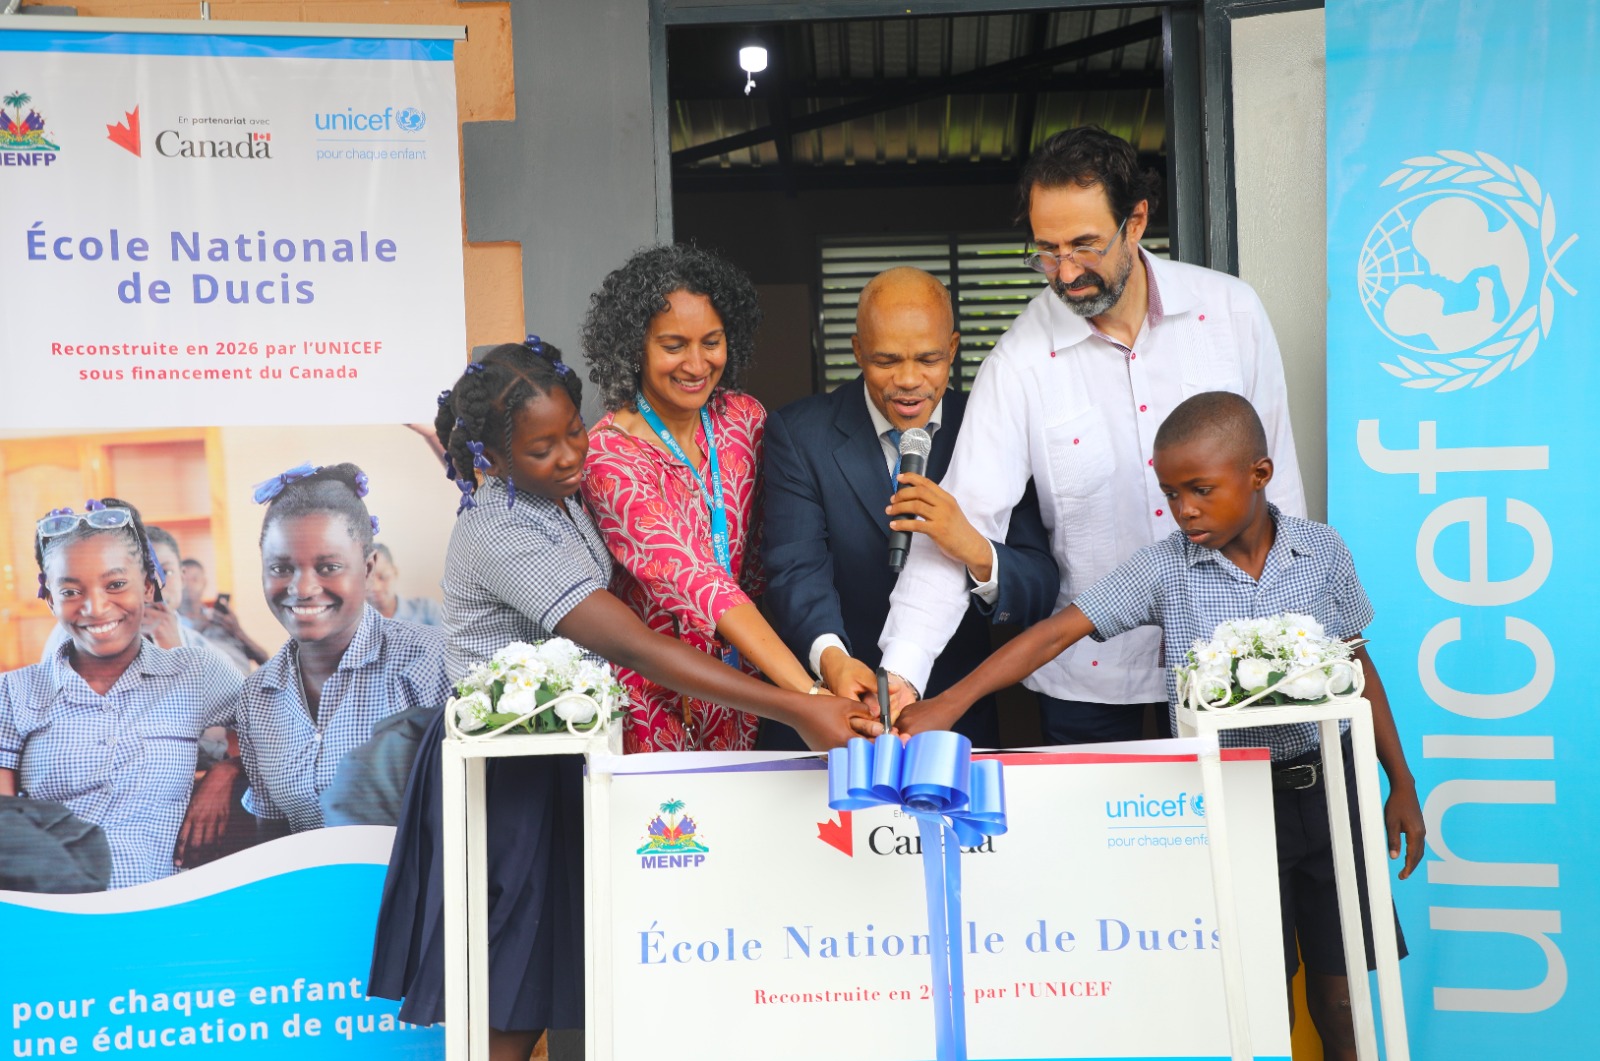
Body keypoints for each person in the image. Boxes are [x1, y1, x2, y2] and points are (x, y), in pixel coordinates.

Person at [369, 340, 877, 1061]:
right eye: (542, 448)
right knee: (508, 989)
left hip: (557, 755)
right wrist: (795, 706)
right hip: (502, 776)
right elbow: (635, 644)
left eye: (574, 431)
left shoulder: (554, 498)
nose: (570, 455)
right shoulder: (502, 527)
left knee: (545, 974)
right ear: (495, 458)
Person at [900, 392, 1423, 1061]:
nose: (1185, 510)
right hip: (1234, 803)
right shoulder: (1163, 568)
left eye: (1201, 490)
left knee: (1343, 1000)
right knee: (1260, 998)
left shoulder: (1321, 551)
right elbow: (1056, 634)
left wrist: (1400, 781)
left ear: (1259, 474)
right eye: (1171, 494)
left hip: (1329, 796)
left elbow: (1357, 662)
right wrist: (949, 701)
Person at [879, 125, 1306, 746]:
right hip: (1087, 679)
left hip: (1235, 661)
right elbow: (961, 519)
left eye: (1084, 246)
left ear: (1136, 222)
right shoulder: (1019, 362)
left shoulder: (1230, 314)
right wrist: (903, 669)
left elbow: (1279, 489)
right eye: (1047, 252)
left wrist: (1292, 642)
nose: (1066, 271)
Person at [761, 266, 1060, 748]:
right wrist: (833, 662)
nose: (907, 380)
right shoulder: (799, 433)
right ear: (857, 350)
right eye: (886, 360)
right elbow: (794, 571)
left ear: (953, 349)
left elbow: (1041, 588)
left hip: (950, 718)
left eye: (928, 359)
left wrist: (975, 549)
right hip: (830, 711)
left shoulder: (992, 428)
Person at [581, 245, 823, 752]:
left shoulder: (743, 420)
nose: (696, 364)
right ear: (634, 346)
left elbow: (774, 555)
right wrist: (808, 697)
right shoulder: (609, 457)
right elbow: (698, 581)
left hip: (749, 690)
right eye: (674, 345)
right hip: (654, 702)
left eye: (712, 342)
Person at [191, 464, 451, 836]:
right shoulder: (257, 697)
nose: (302, 589)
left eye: (328, 567)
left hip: (418, 874)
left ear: (368, 567)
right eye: (280, 568)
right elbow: (276, 835)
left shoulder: (428, 662)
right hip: (313, 877)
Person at [0, 499, 242, 889]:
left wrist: (228, 772)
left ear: (147, 586)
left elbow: (276, 731)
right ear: (49, 598)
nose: (95, 608)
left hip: (163, 908)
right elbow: (5, 830)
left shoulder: (195, 673)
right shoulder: (14, 693)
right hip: (53, 910)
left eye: (115, 585)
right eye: (71, 591)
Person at [178, 556, 271, 669]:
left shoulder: (220, 619)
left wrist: (237, 631)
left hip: (242, 674)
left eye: (195, 579)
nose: (189, 585)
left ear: (204, 583)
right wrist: (202, 627)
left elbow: (265, 660)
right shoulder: (171, 622)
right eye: (184, 580)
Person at [366, 542, 443, 627]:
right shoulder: (358, 623)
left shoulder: (427, 609)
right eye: (366, 579)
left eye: (383, 577)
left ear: (395, 572)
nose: (376, 587)